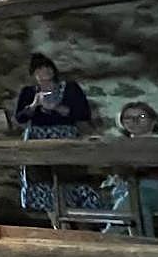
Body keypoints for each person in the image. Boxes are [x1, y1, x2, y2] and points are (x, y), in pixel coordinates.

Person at [14, 52, 100, 219]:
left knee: (71, 179)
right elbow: (20, 117)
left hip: (65, 136)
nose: (44, 72)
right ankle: (57, 225)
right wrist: (34, 105)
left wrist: (56, 107)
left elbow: (83, 113)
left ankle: (82, 224)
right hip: (37, 139)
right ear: (34, 75)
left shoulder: (70, 89)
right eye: (39, 69)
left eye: (47, 67)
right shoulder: (28, 92)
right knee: (41, 182)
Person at [102, 102, 158, 236]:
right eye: (128, 118)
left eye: (141, 116)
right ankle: (146, 245)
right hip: (127, 190)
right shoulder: (120, 143)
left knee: (136, 199)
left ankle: (108, 236)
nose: (135, 121)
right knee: (138, 206)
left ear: (153, 121)